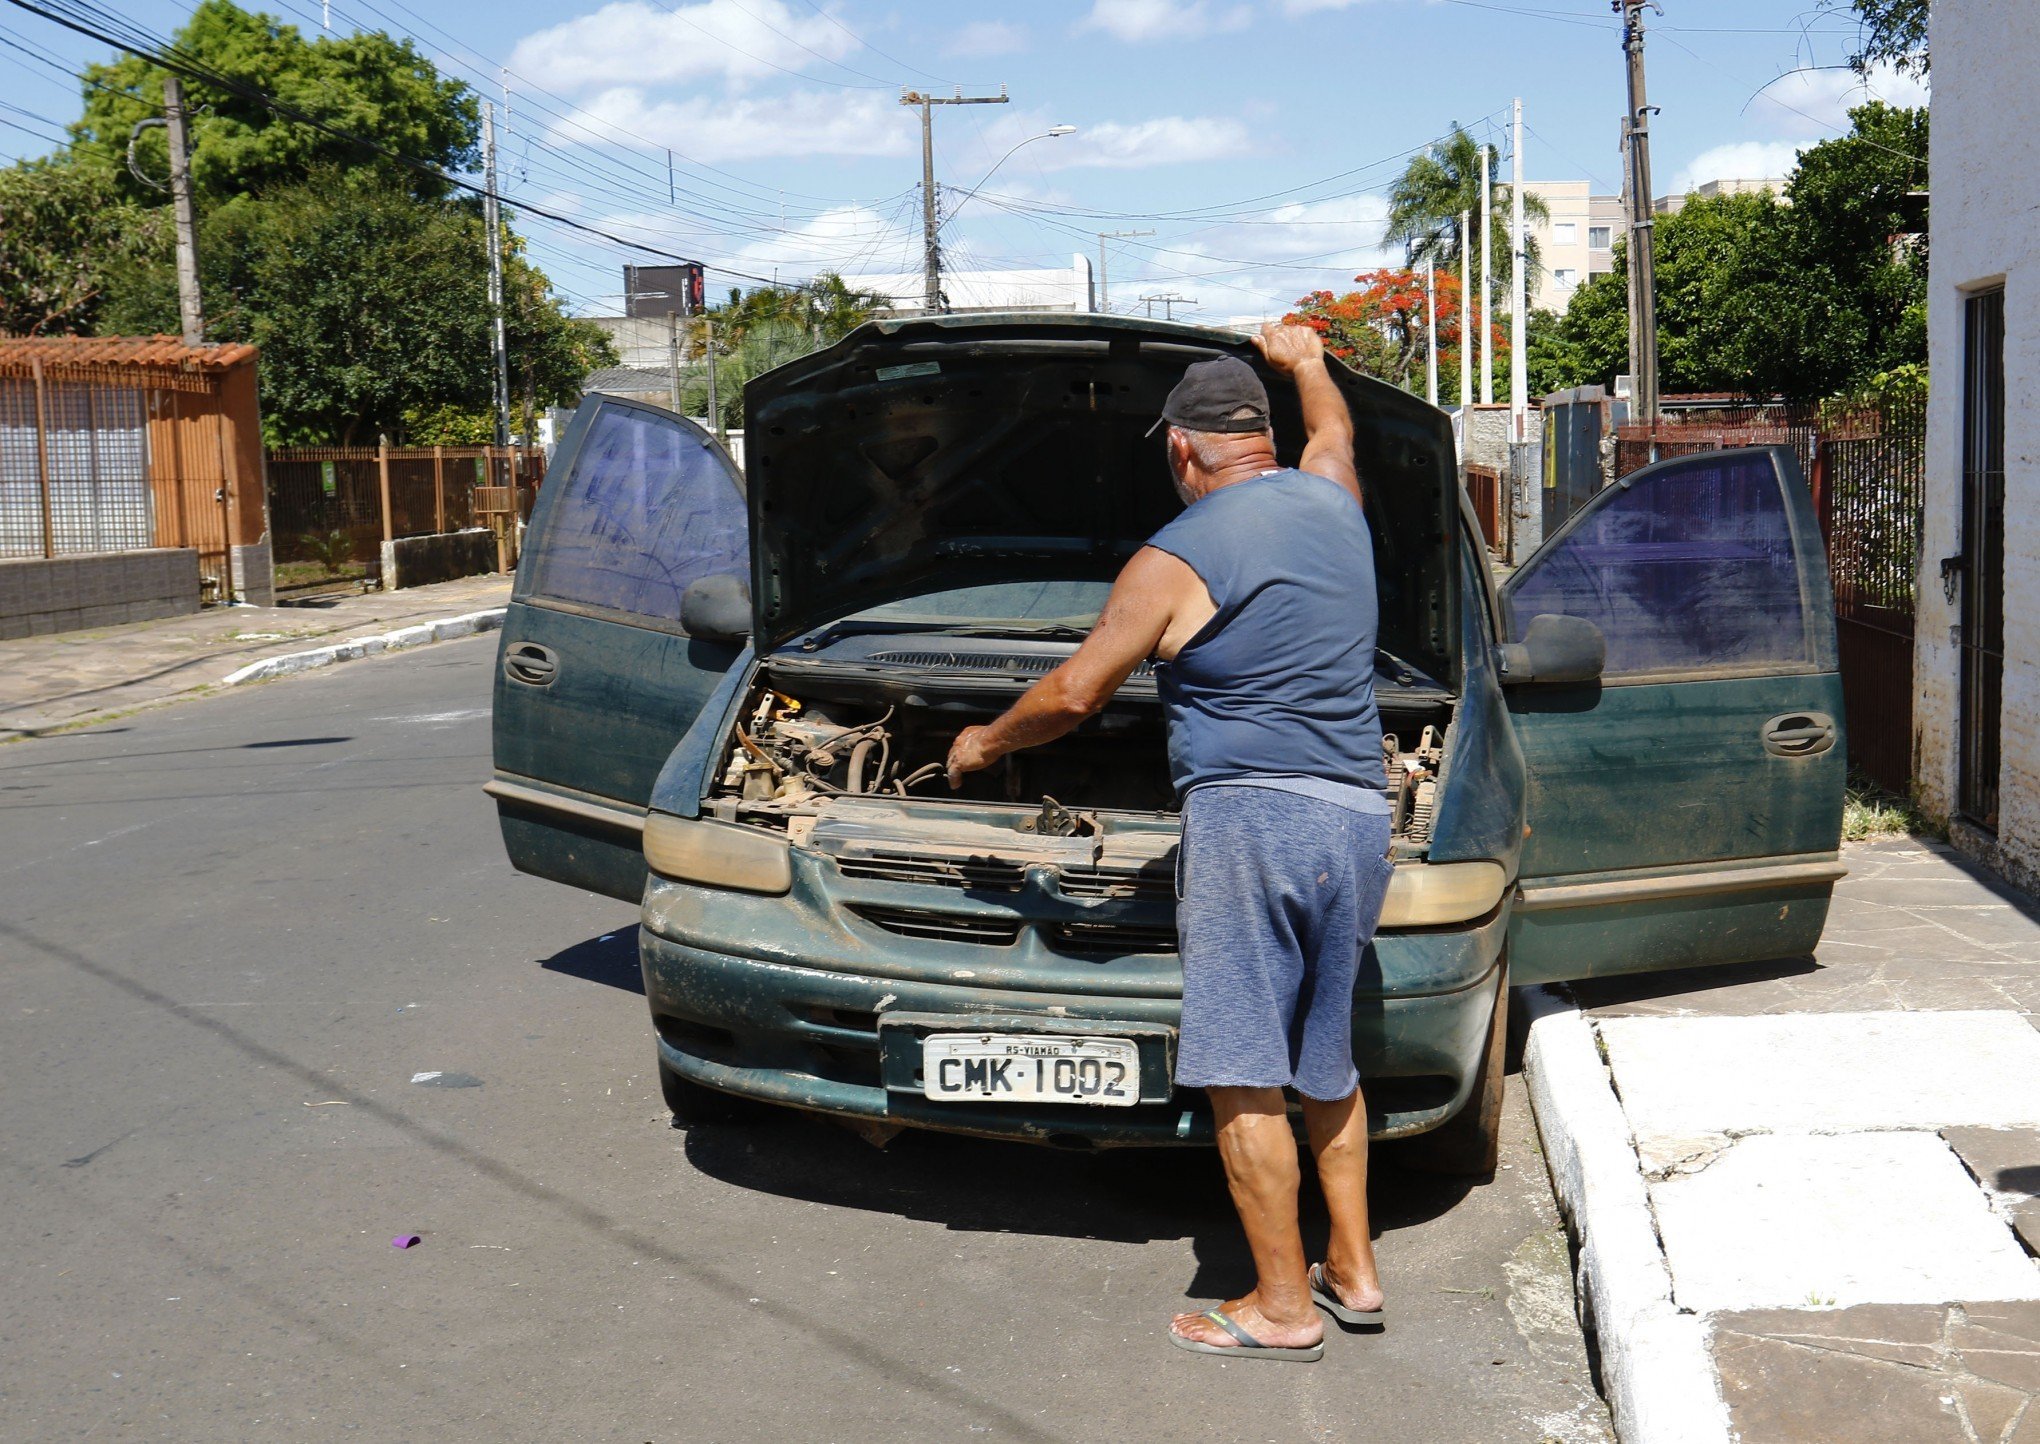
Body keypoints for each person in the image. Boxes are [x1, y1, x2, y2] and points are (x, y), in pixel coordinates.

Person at [944, 323, 1393, 1363]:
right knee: (1326, 1063)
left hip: (1252, 820)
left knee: (1245, 1071)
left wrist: (981, 741)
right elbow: (1333, 428)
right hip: (1355, 815)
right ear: (1261, 441)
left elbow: (1077, 692)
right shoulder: (1335, 499)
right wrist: (1307, 358)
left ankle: (1282, 1306)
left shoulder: (1175, 554)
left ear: (1182, 451)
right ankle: (1354, 1273)